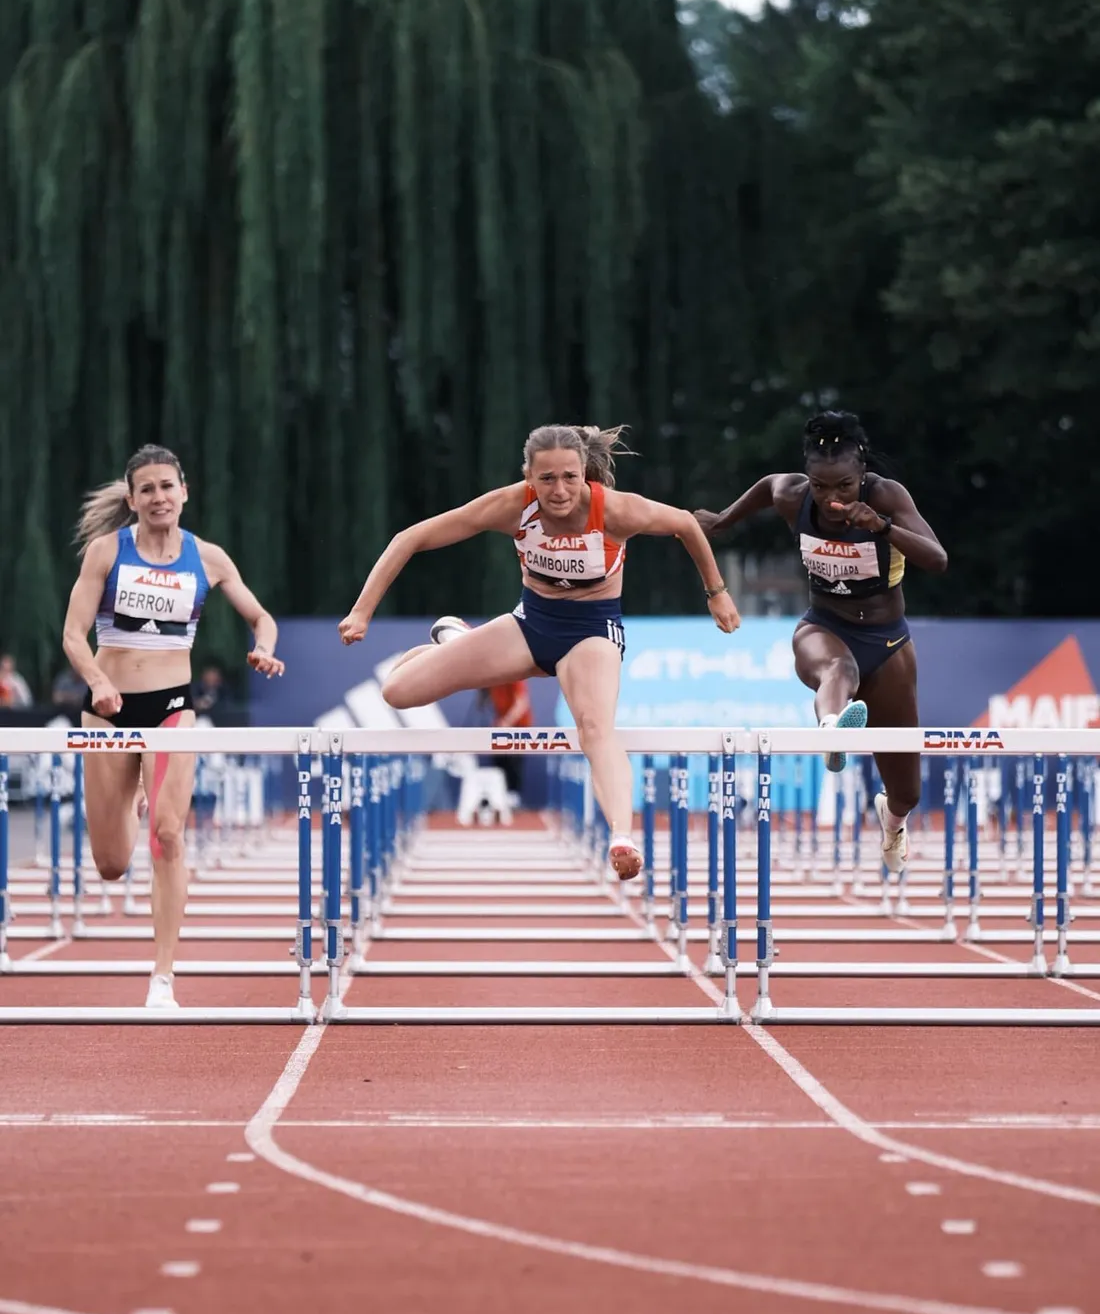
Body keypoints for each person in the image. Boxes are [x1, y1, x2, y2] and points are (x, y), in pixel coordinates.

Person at [339, 424, 740, 879]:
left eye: (569, 477)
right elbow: (409, 538)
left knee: (594, 728)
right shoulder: (513, 506)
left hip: (591, 632)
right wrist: (361, 613)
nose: (559, 490)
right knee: (396, 692)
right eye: (546, 478)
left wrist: (717, 592)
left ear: (584, 472)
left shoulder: (615, 511)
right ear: (528, 475)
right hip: (529, 626)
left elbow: (686, 524)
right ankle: (454, 641)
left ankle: (622, 837)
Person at [61, 444, 285, 1009]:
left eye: (168, 486)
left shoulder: (207, 558)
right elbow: (72, 634)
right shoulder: (106, 552)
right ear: (132, 499)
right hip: (109, 711)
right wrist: (98, 680)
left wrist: (263, 647)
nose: (159, 497)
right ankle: (137, 785)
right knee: (111, 865)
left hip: (173, 707)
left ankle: (162, 977)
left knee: (168, 834)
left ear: (184, 491)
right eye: (148, 489)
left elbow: (260, 616)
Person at [694, 410, 947, 874]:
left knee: (906, 790)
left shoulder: (886, 496)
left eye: (843, 486)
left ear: (862, 473)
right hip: (824, 627)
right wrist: (722, 521)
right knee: (838, 670)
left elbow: (938, 559)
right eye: (820, 486)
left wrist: (882, 527)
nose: (831, 499)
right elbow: (770, 485)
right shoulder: (794, 496)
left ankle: (892, 825)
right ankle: (831, 729)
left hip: (888, 642)